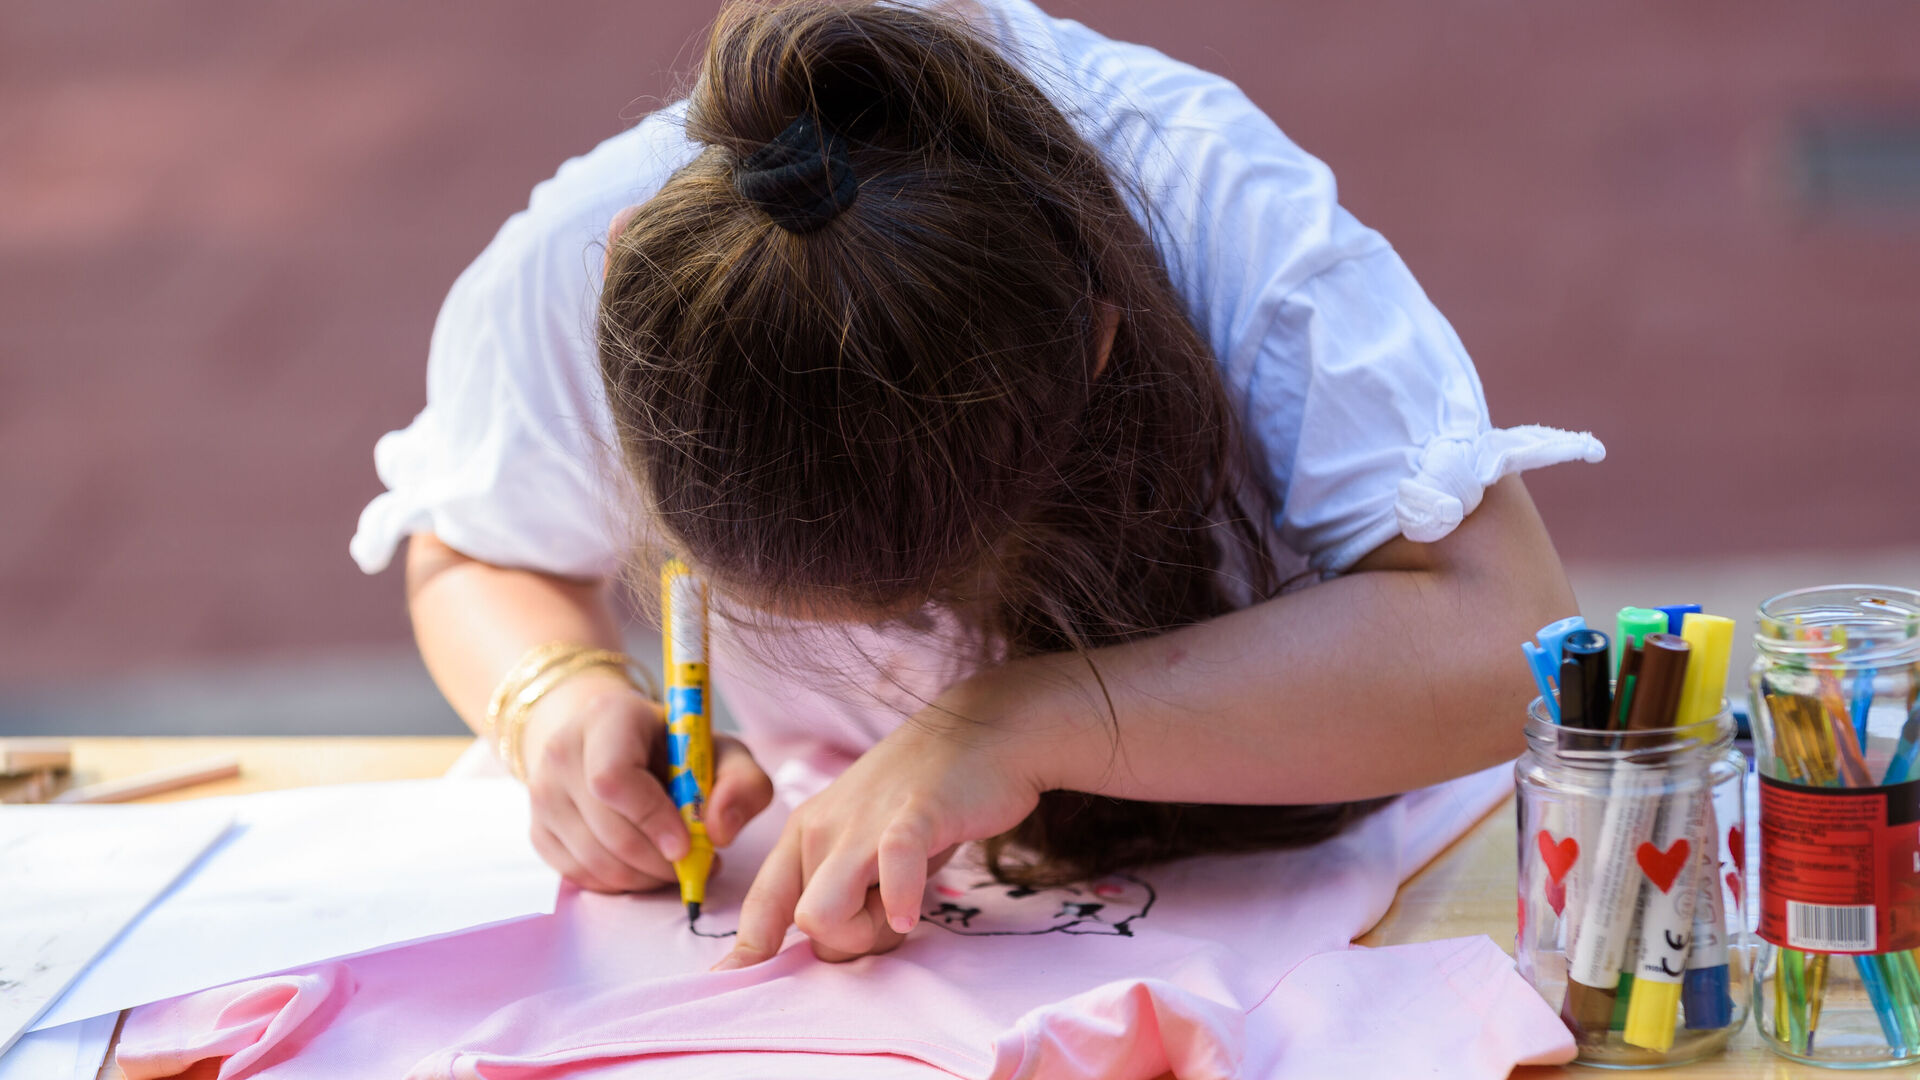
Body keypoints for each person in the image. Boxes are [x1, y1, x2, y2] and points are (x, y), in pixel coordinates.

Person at [351, 0, 1602, 972]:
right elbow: (474, 550)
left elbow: (1501, 642)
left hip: (1343, 877)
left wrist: (1017, 722)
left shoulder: (1223, 215)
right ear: (615, 297)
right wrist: (556, 698)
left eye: (922, 599)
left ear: (1093, 345)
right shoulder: (576, 261)